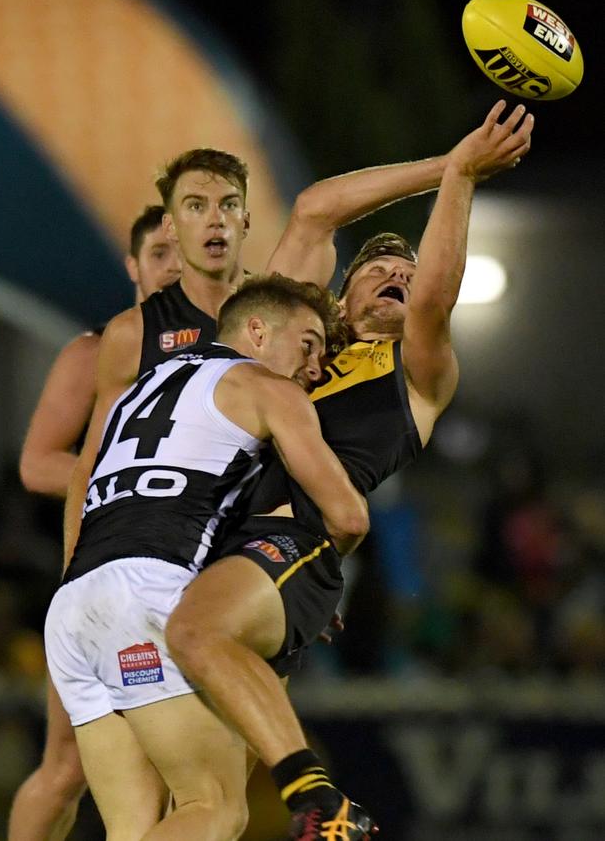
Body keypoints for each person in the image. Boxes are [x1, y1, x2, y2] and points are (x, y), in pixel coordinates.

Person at [162, 100, 535, 840]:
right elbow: (312, 213)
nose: (401, 275)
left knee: (198, 638)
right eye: (381, 270)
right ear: (341, 298)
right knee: (205, 806)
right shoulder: (300, 347)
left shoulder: (417, 374)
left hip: (289, 547)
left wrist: (461, 178)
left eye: (408, 269)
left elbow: (434, 297)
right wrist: (444, 161)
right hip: (215, 553)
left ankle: (327, 807)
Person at [48, 274, 369, 841]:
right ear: (256, 330)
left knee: (134, 830)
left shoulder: (139, 388)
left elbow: (87, 479)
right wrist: (308, 582)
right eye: (309, 344)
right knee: (215, 808)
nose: (316, 367)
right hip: (146, 594)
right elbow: (347, 516)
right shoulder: (267, 388)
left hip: (73, 608)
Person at [8, 204, 180, 841]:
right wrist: (130, 481)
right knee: (65, 768)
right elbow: (37, 462)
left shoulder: (216, 354)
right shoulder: (96, 350)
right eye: (158, 254)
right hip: (100, 576)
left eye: (181, 253)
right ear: (133, 265)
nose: (173, 267)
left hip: (175, 580)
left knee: (172, 765)